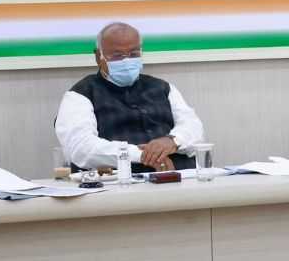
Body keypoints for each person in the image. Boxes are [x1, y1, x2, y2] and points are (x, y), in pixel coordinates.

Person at [55, 22, 205, 173]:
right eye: (117, 56)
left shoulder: (163, 88)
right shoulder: (80, 95)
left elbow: (194, 128)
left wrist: (172, 141)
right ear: (98, 56)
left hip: (180, 176)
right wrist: (143, 155)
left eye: (134, 54)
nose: (126, 61)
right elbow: (81, 148)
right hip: (120, 183)